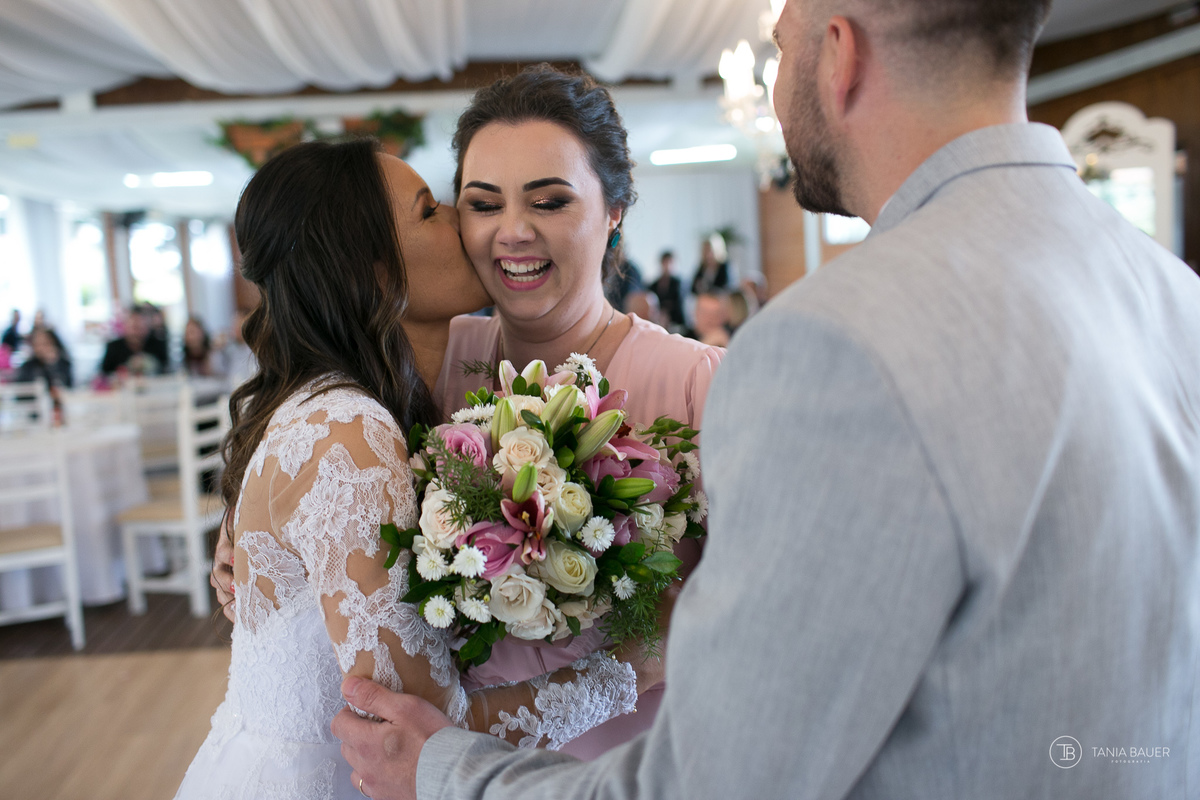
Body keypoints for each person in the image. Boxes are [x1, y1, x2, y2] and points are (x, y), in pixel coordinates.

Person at [332, 1, 1200, 798]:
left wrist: (456, 768)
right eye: (481, 204)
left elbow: (725, 773)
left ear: (839, 52)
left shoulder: (813, 348)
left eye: (780, 44)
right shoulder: (1173, 291)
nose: (510, 229)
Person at [177, 138, 658, 800]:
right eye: (430, 210)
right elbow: (420, 733)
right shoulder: (349, 430)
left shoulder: (380, 403)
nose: (465, 222)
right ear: (371, 271)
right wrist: (629, 668)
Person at [431, 64, 723, 759]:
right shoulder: (428, 362)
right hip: (449, 773)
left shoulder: (696, 383)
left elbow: (749, 607)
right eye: (483, 203)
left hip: (626, 770)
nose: (512, 232)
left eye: (550, 201)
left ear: (614, 209)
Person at [99, 307, 163, 377]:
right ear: (126, 326)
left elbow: (165, 370)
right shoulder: (114, 347)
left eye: (142, 328)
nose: (138, 332)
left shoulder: (157, 345)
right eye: (134, 327)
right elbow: (104, 374)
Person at [651, 250, 686, 331]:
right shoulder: (653, 285)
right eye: (665, 262)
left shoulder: (679, 284)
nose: (667, 266)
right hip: (657, 321)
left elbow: (679, 305)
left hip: (676, 322)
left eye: (670, 262)